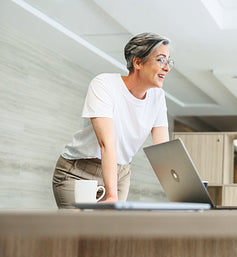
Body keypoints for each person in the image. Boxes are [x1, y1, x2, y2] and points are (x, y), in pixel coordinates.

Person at [52, 32, 172, 208]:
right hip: (79, 173)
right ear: (137, 62)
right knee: (79, 233)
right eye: (161, 60)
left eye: (169, 61)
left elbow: (163, 150)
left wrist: (185, 193)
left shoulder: (158, 97)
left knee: (108, 234)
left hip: (120, 173)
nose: (167, 68)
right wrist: (111, 196)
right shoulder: (104, 84)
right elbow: (107, 143)